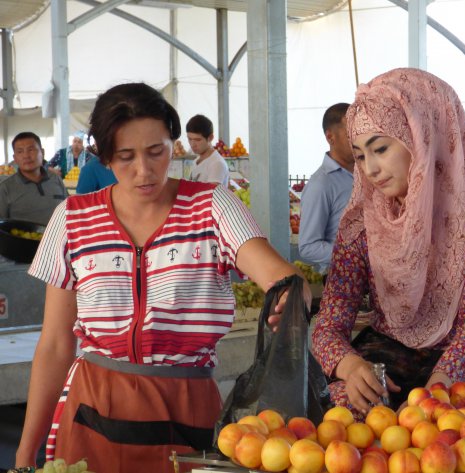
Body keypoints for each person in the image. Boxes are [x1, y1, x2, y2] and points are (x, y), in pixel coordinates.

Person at [14, 83, 310, 473]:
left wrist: (291, 298)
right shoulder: (73, 219)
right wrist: (24, 454)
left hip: (186, 412)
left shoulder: (210, 208)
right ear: (103, 157)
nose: (145, 170)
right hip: (93, 411)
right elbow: (54, 344)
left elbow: (285, 279)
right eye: (125, 157)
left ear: (175, 142)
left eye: (157, 152)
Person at [311, 68, 465, 417]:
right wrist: (350, 367)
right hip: (386, 358)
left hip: (462, 363)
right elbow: (328, 325)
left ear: (422, 136)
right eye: (360, 155)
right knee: (344, 405)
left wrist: (435, 390)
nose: (371, 169)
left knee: (456, 421)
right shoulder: (363, 219)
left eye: (381, 149)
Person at [298, 103, 354, 274]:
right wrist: (354, 255)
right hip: (342, 280)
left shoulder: (370, 173)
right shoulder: (321, 184)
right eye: (350, 134)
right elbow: (308, 246)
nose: (358, 140)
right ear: (330, 137)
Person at [0, 132, 68, 225]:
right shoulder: (5, 188)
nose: (26, 156)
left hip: (59, 239)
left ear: (42, 152)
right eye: (20, 151)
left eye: (31, 150)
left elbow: (68, 210)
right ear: (15, 158)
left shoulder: (55, 179)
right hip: (22, 239)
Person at [186, 114, 229, 186]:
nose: (192, 144)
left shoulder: (217, 164)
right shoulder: (196, 161)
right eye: (189, 139)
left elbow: (210, 195)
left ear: (210, 138)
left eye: (198, 140)